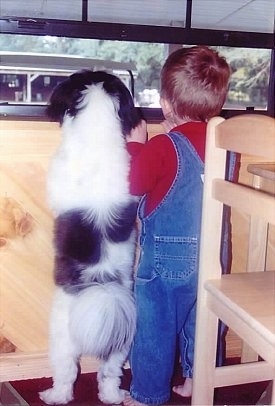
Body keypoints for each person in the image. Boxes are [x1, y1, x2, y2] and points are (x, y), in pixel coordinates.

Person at [123, 46, 231, 406]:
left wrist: (139, 147)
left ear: (167, 102)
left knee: (155, 325)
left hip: (169, 257)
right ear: (217, 101)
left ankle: (146, 395)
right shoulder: (227, 147)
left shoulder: (163, 146)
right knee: (202, 319)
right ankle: (197, 380)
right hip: (216, 250)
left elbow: (136, 185)